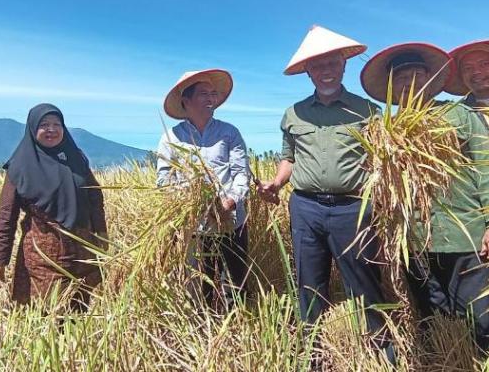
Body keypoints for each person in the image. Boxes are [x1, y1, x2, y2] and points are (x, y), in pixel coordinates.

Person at [258, 25, 394, 362]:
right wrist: (276, 183)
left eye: (332, 63)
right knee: (308, 283)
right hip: (305, 208)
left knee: (364, 282)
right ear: (307, 71)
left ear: (344, 65)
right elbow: (289, 158)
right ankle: (312, 356)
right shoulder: (294, 114)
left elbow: (383, 158)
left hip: (354, 209)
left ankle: (381, 353)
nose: (325, 71)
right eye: (317, 65)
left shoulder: (367, 111)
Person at [360, 43, 489, 351]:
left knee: (481, 316)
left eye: (417, 74)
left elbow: (488, 167)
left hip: (464, 233)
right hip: (413, 238)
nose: (410, 83)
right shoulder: (385, 129)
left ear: (430, 78)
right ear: (391, 87)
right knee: (431, 314)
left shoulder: (458, 115)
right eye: (401, 78)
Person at [0, 104, 107, 312]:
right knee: (47, 316)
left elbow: (95, 199)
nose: (51, 129)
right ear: (33, 129)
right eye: (44, 125)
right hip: (43, 259)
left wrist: (102, 237)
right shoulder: (20, 166)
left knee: (79, 315)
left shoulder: (76, 159)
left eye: (56, 124)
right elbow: (6, 215)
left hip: (82, 256)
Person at [156, 69, 251, 310]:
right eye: (203, 94)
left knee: (235, 283)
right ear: (186, 101)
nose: (211, 99)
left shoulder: (229, 132)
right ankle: (205, 330)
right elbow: (164, 180)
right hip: (194, 227)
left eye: (213, 94)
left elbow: (241, 173)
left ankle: (238, 326)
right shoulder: (171, 138)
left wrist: (231, 200)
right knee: (200, 285)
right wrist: (190, 202)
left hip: (231, 221)